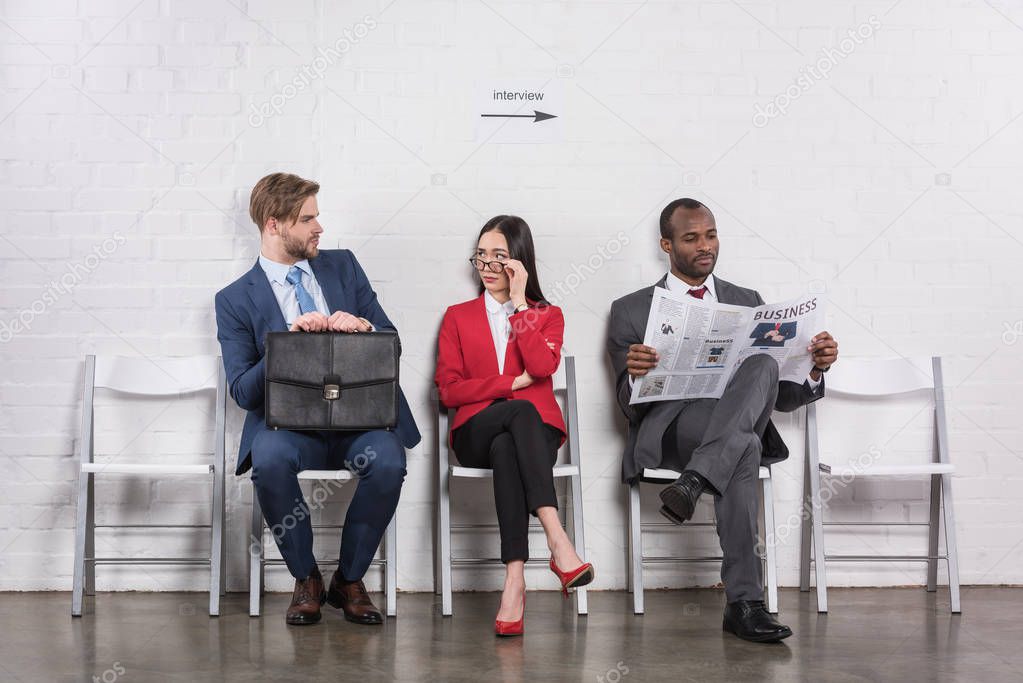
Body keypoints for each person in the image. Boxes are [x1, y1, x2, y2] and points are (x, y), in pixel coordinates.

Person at [606, 198, 839, 643]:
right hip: (673, 426)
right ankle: (743, 605)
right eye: (691, 238)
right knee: (743, 445)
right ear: (666, 244)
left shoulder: (746, 301)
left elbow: (779, 396)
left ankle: (696, 484)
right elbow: (627, 406)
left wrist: (815, 367)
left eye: (710, 234)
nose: (705, 246)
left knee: (763, 376)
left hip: (724, 430)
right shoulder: (632, 310)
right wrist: (635, 376)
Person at [214, 172, 421, 626]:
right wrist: (284, 346)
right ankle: (306, 577)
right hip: (290, 429)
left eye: (317, 217)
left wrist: (363, 330)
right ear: (274, 225)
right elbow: (243, 392)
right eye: (307, 219)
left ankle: (348, 580)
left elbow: (393, 343)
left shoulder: (343, 266)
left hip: (359, 424)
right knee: (268, 460)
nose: (319, 228)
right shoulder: (234, 300)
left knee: (388, 460)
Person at [435, 215, 595, 637]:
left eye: (499, 257)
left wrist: (522, 305)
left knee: (510, 445)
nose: (487, 266)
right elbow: (448, 391)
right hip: (474, 431)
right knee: (519, 410)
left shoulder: (548, 315)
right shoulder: (457, 317)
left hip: (533, 437)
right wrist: (508, 384)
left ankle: (514, 582)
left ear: (519, 262)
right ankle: (558, 540)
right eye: (481, 257)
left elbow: (542, 365)